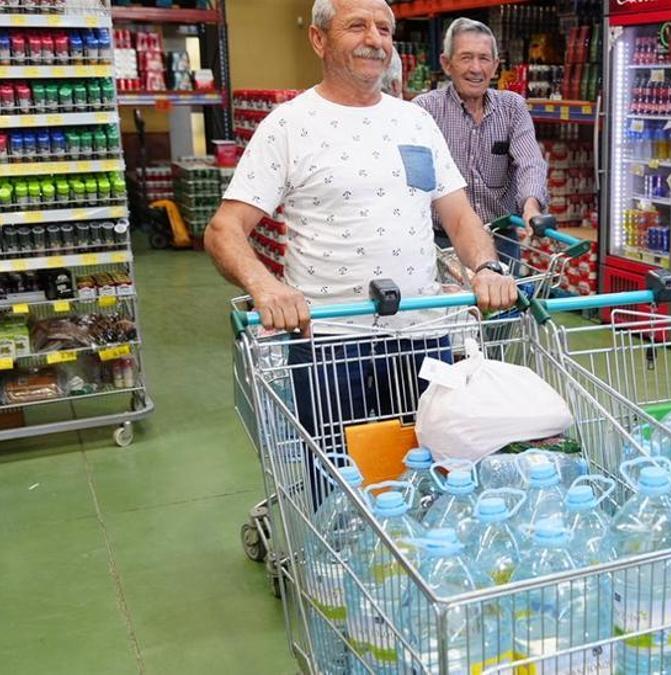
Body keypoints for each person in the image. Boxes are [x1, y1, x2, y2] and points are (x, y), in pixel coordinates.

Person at [205, 0, 517, 457]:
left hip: (422, 337)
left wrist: (486, 267)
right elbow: (224, 229)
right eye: (357, 26)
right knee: (340, 481)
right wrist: (265, 287)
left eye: (384, 29)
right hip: (332, 343)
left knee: (434, 473)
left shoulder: (415, 121)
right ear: (318, 39)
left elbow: (458, 214)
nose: (375, 40)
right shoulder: (289, 126)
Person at [414, 18, 549, 269]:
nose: (476, 68)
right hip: (442, 242)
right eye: (466, 58)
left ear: (496, 66)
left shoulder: (512, 108)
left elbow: (530, 162)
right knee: (449, 309)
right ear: (446, 64)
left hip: (500, 240)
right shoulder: (425, 109)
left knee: (506, 306)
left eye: (484, 58)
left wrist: (531, 206)